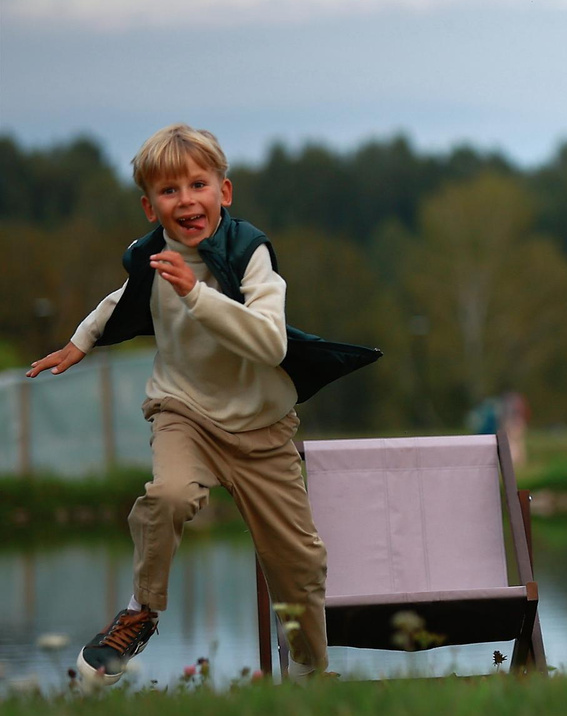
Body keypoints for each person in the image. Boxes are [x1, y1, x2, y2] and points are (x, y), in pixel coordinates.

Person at [26, 124, 378, 686]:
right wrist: (80, 341)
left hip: (263, 429)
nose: (186, 200)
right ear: (150, 206)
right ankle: (141, 610)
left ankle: (311, 675)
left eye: (198, 184)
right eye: (169, 191)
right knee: (167, 495)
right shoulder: (152, 257)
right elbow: (122, 298)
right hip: (183, 413)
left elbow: (270, 341)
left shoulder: (251, 253)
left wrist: (197, 292)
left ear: (225, 191)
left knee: (301, 566)